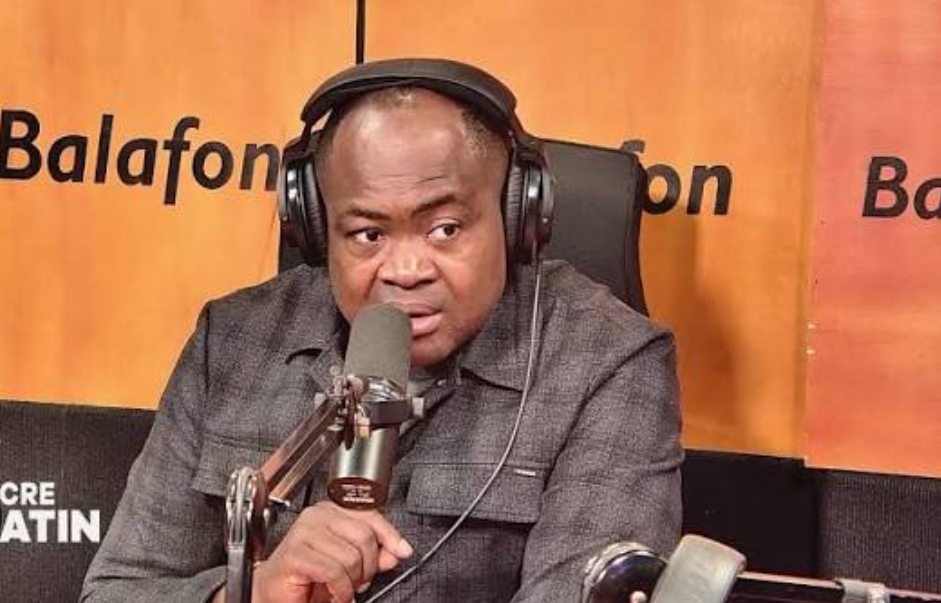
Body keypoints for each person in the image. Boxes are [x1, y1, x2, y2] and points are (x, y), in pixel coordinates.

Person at [81, 58, 682, 603]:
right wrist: (251, 594)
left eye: (445, 229)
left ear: (515, 216)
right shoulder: (235, 341)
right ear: (317, 230)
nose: (407, 270)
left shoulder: (608, 361)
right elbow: (117, 592)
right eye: (368, 234)